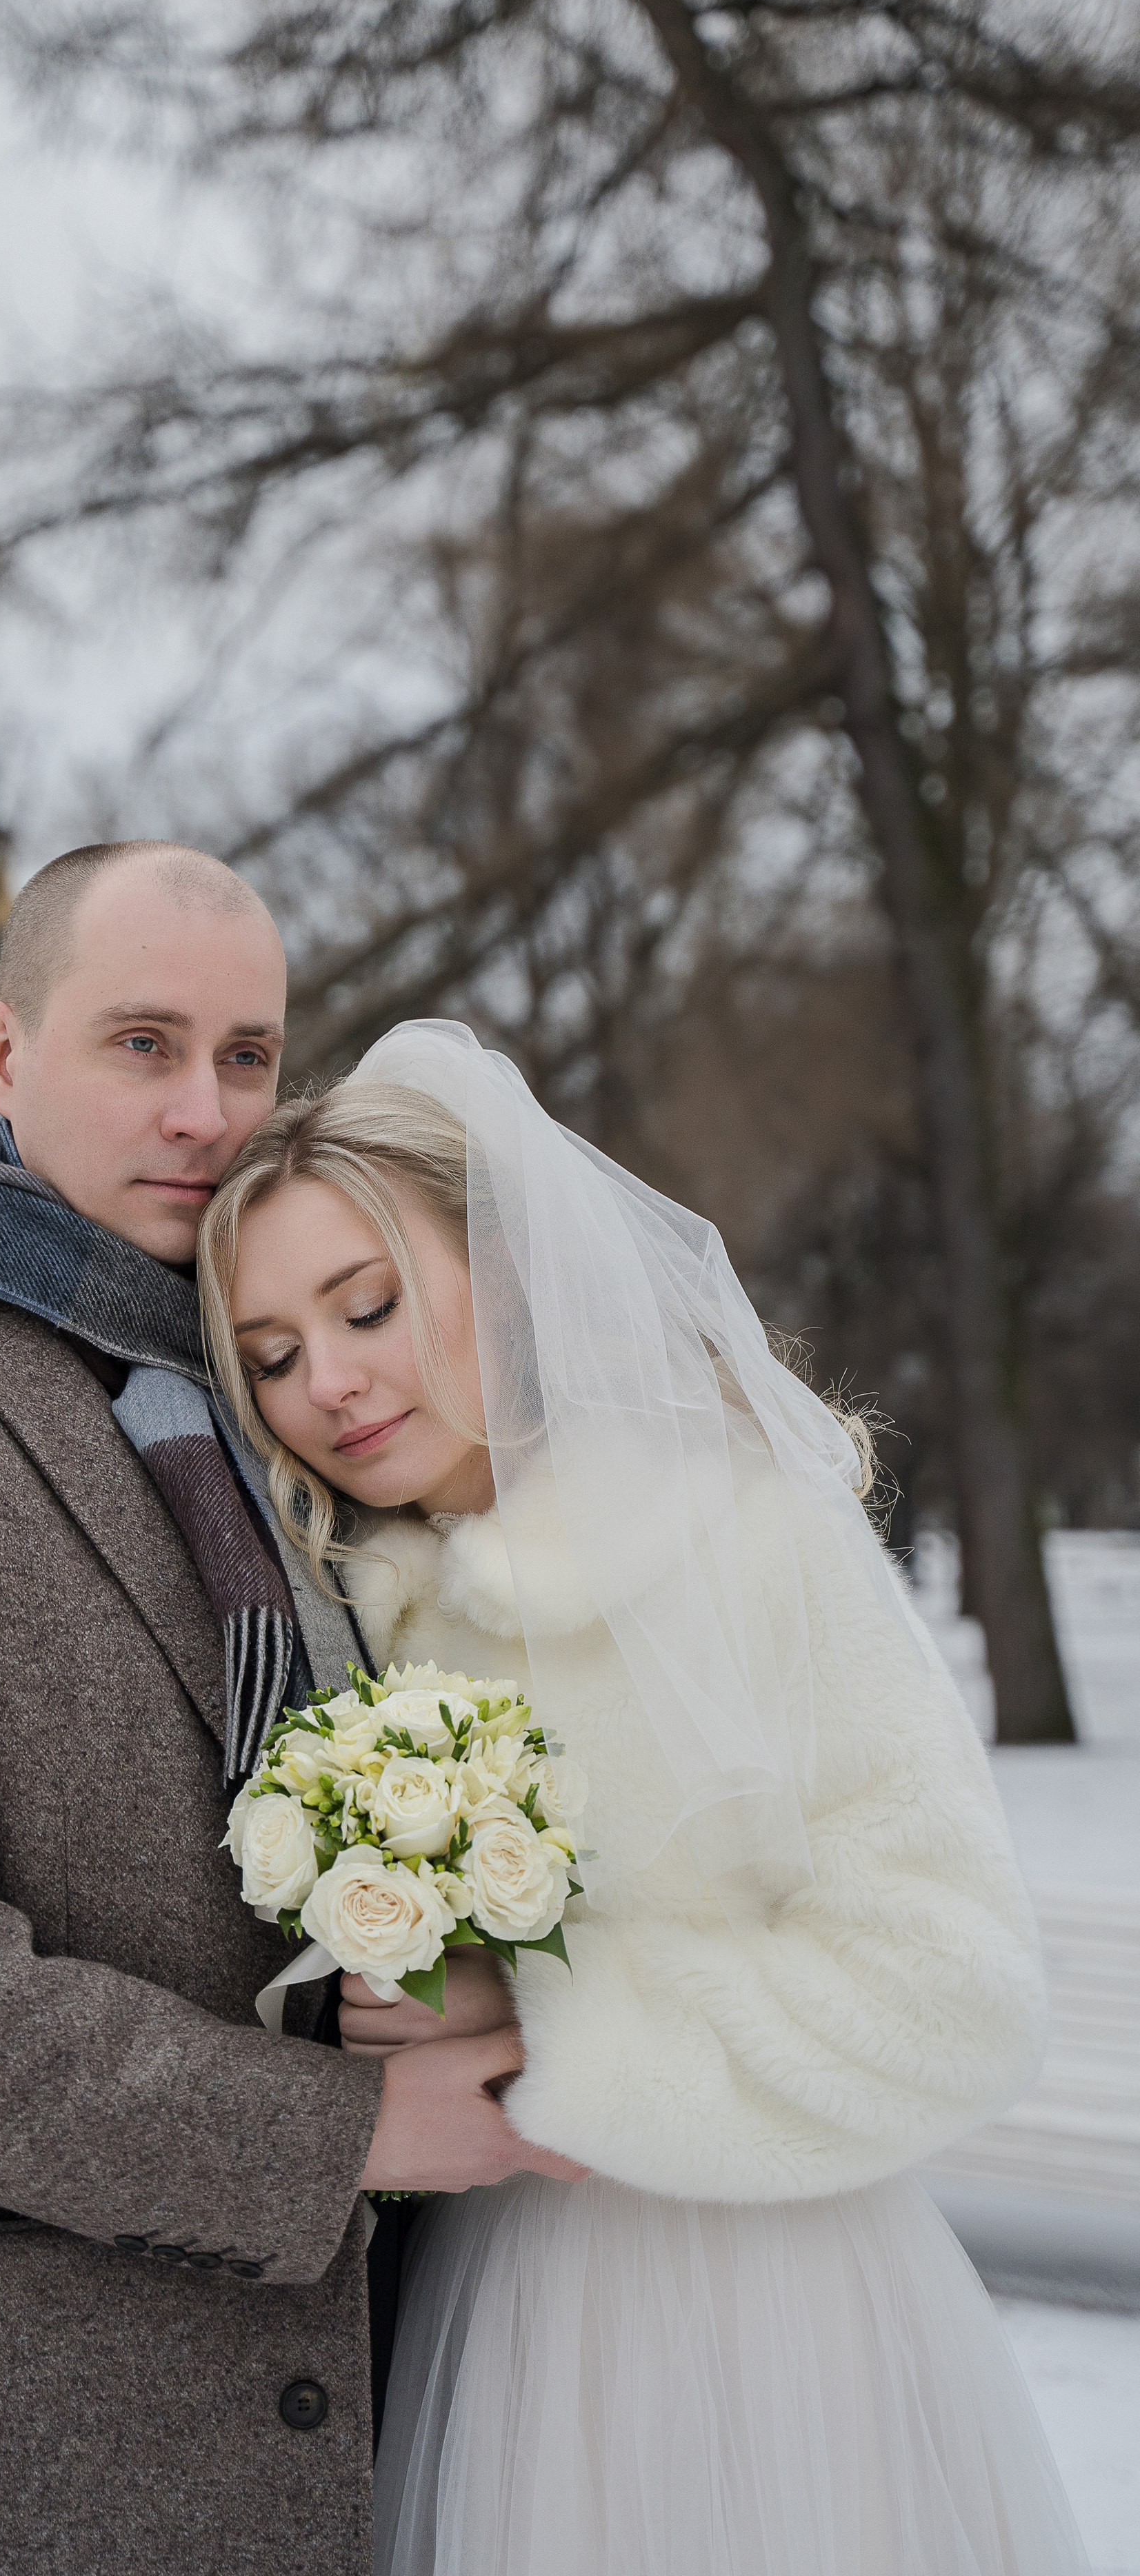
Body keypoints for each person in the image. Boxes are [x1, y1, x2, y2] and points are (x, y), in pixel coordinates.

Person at [0, 849, 576, 2576]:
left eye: (248, 1056)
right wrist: (343, 2132)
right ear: (0, 1052)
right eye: (142, 1044)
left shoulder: (312, 1405)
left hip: (404, 2412)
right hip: (37, 2446)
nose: (204, 1112)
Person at [197, 1017, 1090, 2576]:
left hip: (767, 2324)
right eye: (270, 1356)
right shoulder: (355, 1619)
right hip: (491, 2326)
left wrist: (546, 2023)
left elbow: (954, 1992)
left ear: (503, 1271)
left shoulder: (746, 1537)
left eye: (368, 1305)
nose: (326, 1384)